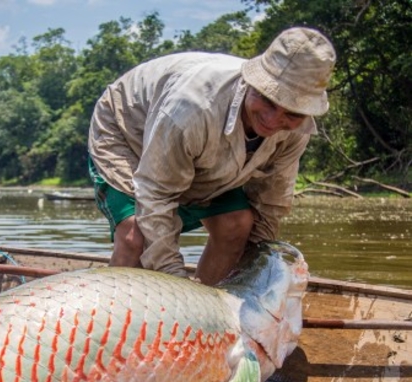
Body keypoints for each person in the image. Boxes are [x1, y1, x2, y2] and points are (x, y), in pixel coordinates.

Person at [88, 27, 336, 285]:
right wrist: (175, 283)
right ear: (253, 84)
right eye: (268, 102)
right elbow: (156, 195)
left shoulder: (296, 131)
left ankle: (208, 317)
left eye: (291, 113)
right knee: (134, 237)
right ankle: (116, 319)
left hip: (201, 151)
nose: (273, 121)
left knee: (237, 225)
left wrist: (252, 278)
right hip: (128, 131)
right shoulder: (191, 110)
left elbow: (270, 205)